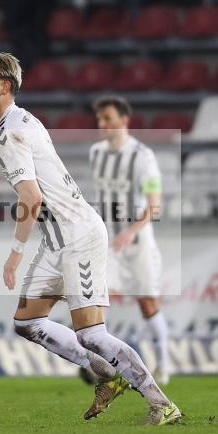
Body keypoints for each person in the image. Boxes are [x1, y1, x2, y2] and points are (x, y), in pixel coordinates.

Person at [0, 52, 182, 425]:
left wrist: (14, 254)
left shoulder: (9, 131)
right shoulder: (22, 120)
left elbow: (32, 198)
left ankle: (160, 402)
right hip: (57, 240)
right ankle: (108, 375)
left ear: (4, 87)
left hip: (77, 235)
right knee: (27, 323)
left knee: (92, 334)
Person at [90, 95, 170, 385]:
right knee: (98, 303)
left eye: (108, 118)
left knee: (147, 304)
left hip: (137, 244)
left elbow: (154, 203)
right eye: (100, 119)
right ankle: (104, 367)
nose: (102, 124)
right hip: (107, 245)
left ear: (124, 120)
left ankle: (164, 365)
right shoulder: (96, 153)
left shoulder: (143, 156)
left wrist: (131, 231)